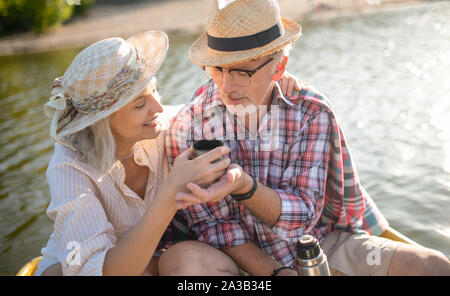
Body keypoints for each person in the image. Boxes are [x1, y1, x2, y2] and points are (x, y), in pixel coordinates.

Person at [161, 0, 450, 276]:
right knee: (183, 263)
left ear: (279, 67)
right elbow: (215, 227)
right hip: (240, 262)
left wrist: (243, 186)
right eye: (217, 69)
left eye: (241, 71)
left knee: (433, 266)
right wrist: (278, 274)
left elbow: (302, 216)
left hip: (320, 244)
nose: (226, 85)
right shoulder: (190, 125)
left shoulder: (311, 111)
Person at [36, 30, 302, 276]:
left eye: (154, 91)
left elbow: (220, 97)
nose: (158, 108)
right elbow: (102, 271)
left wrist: (270, 81)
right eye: (140, 104)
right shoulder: (69, 167)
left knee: (182, 260)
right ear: (101, 121)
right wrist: (170, 192)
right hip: (96, 267)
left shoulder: (167, 127)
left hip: (158, 258)